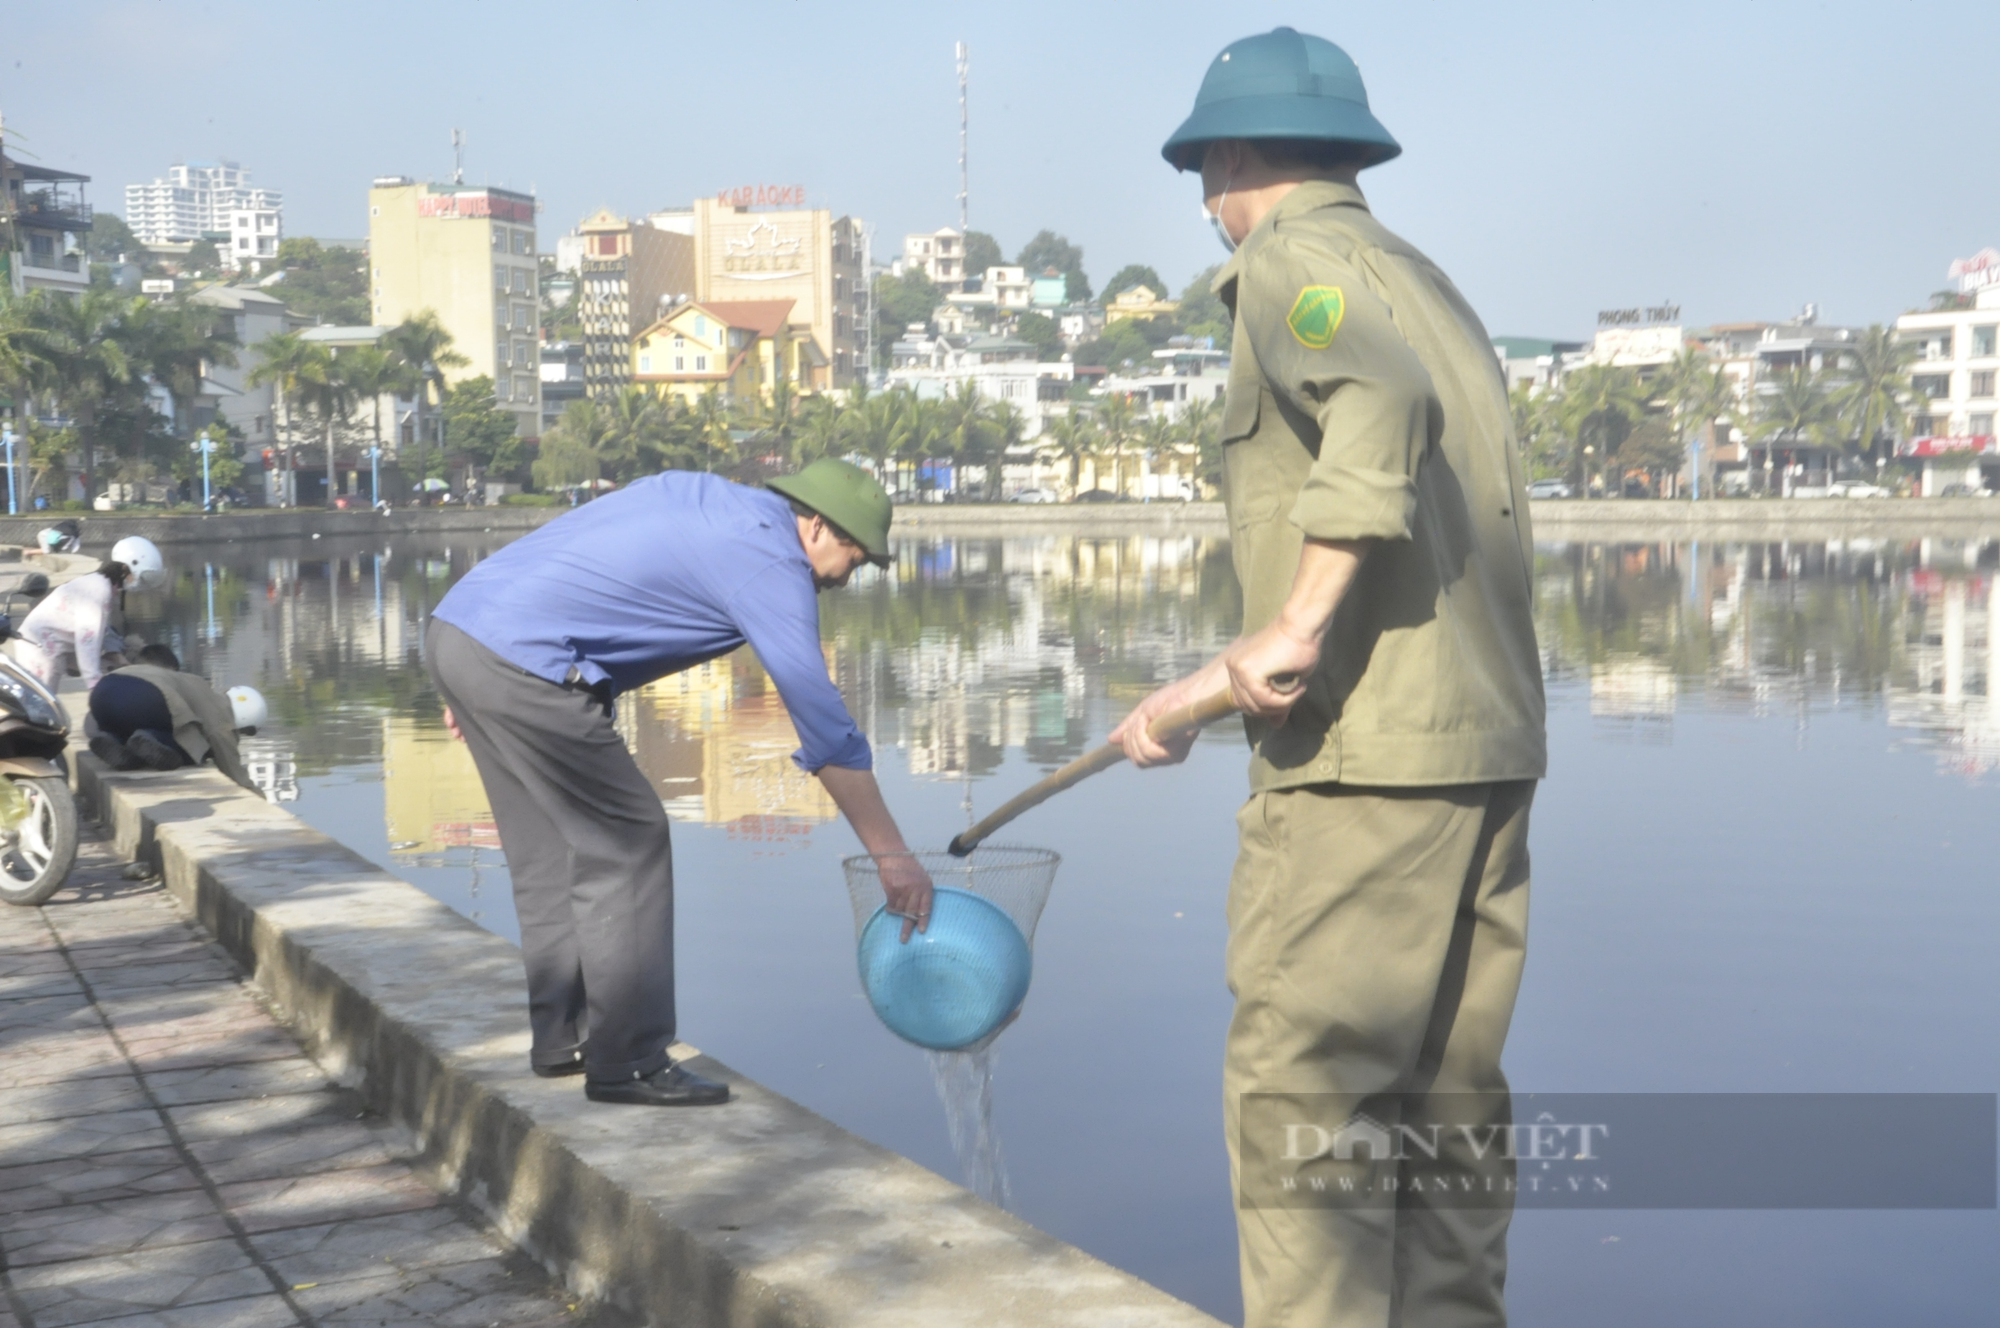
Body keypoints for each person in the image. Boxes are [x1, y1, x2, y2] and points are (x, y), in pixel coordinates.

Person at [1115, 29, 1546, 1328]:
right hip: (1485, 753)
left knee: (1309, 1113)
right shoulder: (1420, 276)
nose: (1209, 199)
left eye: (1206, 173)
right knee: (1445, 1115)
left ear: (1225, 157)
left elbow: (1377, 400)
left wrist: (1281, 633)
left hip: (1368, 766)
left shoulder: (1289, 264)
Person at [427, 458, 933, 1108]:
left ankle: (567, 1038)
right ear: (814, 526)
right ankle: (630, 1060)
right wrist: (892, 857)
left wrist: (473, 667)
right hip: (517, 657)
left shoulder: (700, 495)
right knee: (629, 840)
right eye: (855, 560)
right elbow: (824, 724)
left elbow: (569, 552)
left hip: (465, 629)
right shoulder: (770, 562)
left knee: (549, 849)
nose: (846, 577)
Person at [87, 647, 262, 789]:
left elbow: (89, 723)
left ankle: (113, 739)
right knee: (193, 746)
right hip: (147, 695)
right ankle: (151, 738)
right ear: (245, 716)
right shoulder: (215, 700)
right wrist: (249, 789)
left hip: (103, 692)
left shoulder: (178, 679)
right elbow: (220, 735)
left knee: (139, 727)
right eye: (243, 730)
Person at [13, 536, 166, 689]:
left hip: (46, 645)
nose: (142, 583)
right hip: (39, 647)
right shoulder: (97, 592)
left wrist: (117, 658)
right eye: (143, 577)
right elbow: (87, 639)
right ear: (127, 567)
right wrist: (94, 682)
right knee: (42, 706)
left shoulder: (99, 584)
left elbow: (101, 632)